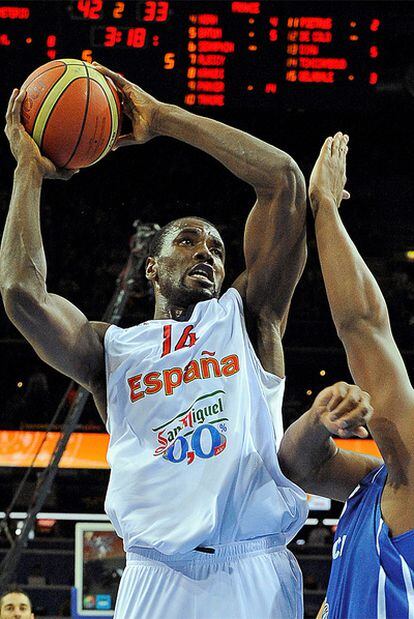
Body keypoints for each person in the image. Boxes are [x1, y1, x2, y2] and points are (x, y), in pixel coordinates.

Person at [1, 69, 369, 617]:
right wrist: (28, 169)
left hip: (253, 568)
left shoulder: (247, 318)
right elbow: (21, 292)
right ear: (151, 267)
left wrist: (163, 118)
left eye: (217, 248)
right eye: (189, 240)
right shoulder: (112, 352)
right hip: (155, 578)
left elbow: (283, 182)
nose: (207, 253)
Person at [278, 132, 414, 619]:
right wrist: (318, 419)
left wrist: (326, 208)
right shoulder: (380, 482)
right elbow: (298, 467)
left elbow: (363, 327)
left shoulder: (411, 479)